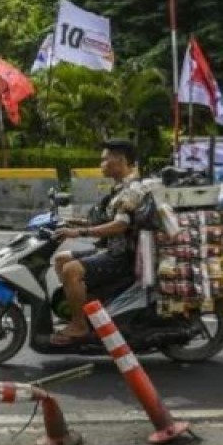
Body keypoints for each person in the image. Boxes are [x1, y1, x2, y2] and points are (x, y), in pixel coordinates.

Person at [49, 139, 146, 345]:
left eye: (104, 160)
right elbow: (105, 220)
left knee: (71, 270)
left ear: (119, 161)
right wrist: (70, 222)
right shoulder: (120, 188)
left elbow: (119, 225)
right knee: (61, 259)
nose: (101, 165)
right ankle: (84, 309)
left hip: (121, 257)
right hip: (110, 250)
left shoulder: (132, 190)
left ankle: (80, 325)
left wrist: (79, 232)